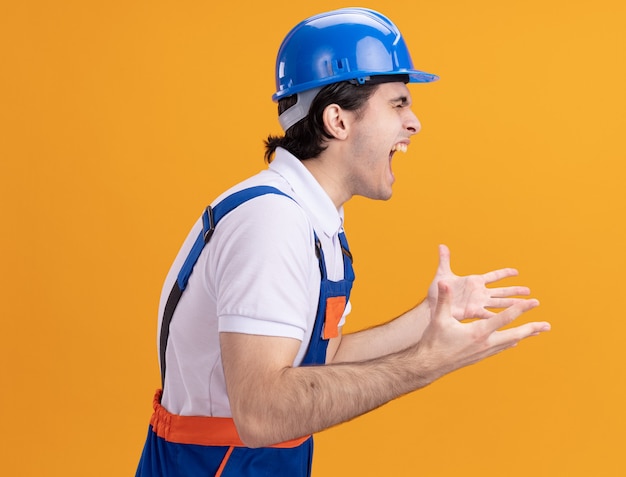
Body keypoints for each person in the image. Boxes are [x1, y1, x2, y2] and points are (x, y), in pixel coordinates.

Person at [135, 7, 550, 477]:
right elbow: (260, 413)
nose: (414, 123)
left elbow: (320, 361)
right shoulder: (273, 222)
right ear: (337, 120)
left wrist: (428, 318)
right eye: (398, 103)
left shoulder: (316, 220)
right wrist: (425, 364)